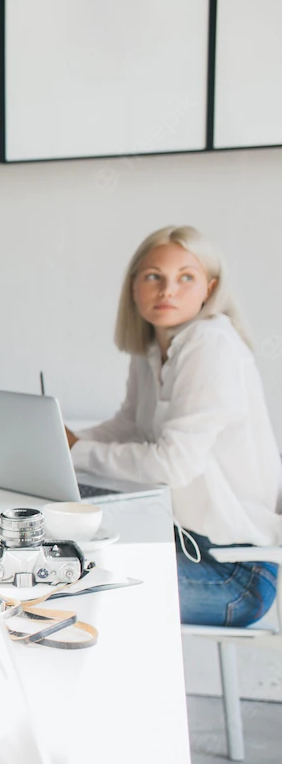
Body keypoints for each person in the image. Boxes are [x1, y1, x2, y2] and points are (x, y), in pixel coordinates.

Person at [66, 226, 280, 626]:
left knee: (71, 588)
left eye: (186, 277)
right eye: (153, 277)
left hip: (234, 571)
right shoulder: (154, 347)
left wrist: (77, 449)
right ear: (134, 287)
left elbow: (172, 466)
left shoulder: (211, 343)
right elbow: (130, 425)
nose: (168, 291)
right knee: (55, 562)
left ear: (209, 289)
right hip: (183, 542)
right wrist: (63, 441)